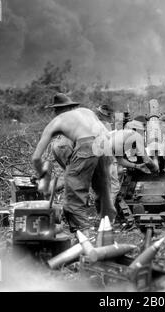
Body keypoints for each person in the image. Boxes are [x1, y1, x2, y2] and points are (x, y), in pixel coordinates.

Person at [32, 93, 116, 233]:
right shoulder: (87, 112)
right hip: (105, 143)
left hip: (87, 144)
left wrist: (42, 177)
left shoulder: (56, 121)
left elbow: (36, 158)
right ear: (71, 106)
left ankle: (83, 234)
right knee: (103, 189)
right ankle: (107, 227)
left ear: (56, 110)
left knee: (73, 197)